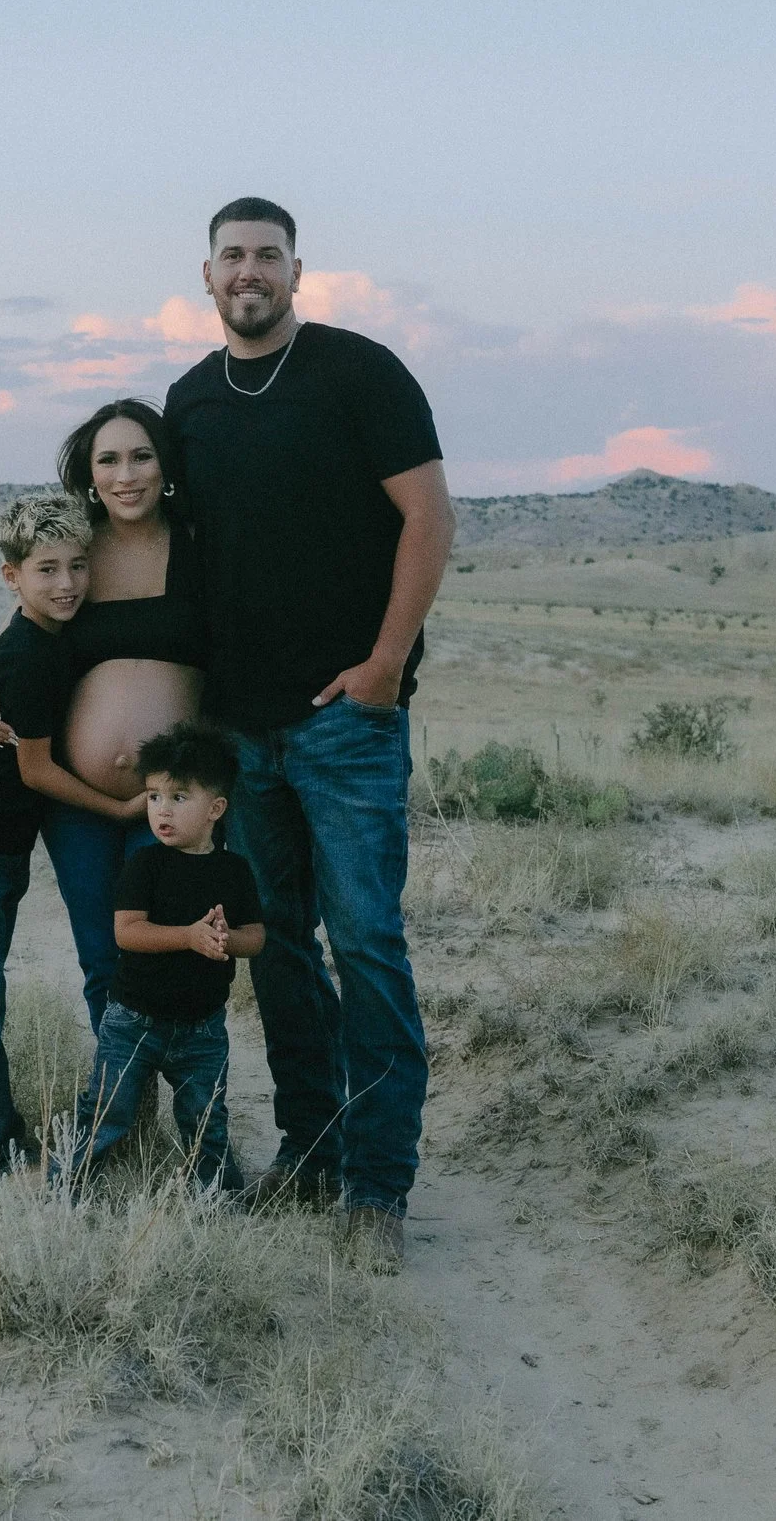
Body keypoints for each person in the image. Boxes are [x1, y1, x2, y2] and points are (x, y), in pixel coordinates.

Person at [162, 196, 456, 1261]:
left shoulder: (358, 372)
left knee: (368, 944)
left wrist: (384, 666)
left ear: (298, 272)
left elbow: (429, 516)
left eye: (268, 257)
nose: (250, 272)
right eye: (231, 257)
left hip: (343, 723)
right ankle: (313, 1146)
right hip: (240, 730)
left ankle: (378, 1187)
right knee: (277, 947)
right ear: (206, 277)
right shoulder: (187, 401)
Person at [0, 401, 208, 1031]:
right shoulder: (75, 553)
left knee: (177, 952)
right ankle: (122, 1115)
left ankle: (193, 1113)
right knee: (103, 957)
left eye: (141, 455)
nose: (127, 474)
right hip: (77, 806)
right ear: (88, 474)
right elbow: (10, 643)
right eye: (109, 460)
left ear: (164, 464)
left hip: (170, 798)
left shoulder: (201, 543)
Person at [0, 492, 143, 1177]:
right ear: (13, 576)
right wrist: (121, 808)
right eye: (47, 569)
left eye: (78, 565)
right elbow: (38, 771)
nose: (67, 583)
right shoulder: (31, 655)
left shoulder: (43, 632)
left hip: (1, 842)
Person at [65, 722, 263, 1190]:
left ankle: (218, 1200)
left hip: (203, 1029)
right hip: (134, 1019)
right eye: (153, 797)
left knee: (207, 1119)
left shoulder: (234, 871)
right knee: (108, 1110)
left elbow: (256, 937)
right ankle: (65, 1185)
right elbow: (127, 933)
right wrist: (188, 937)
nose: (161, 811)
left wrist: (223, 939)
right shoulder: (146, 864)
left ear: (216, 808)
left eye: (178, 797)